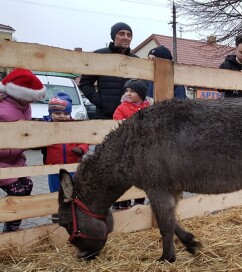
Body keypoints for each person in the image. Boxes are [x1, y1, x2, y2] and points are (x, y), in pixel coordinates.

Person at [0, 68, 46, 232]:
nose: (31, 102)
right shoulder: (2, 109)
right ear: (19, 95)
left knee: (28, 186)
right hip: (1, 161)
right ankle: (10, 230)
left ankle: (12, 226)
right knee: (18, 194)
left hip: (16, 159)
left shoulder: (25, 107)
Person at [43, 93, 89, 222]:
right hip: (53, 168)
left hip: (73, 166)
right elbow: (37, 141)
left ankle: (75, 212)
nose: (62, 116)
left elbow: (85, 140)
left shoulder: (75, 127)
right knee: (56, 191)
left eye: (66, 113)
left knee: (74, 190)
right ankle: (57, 214)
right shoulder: (45, 127)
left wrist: (81, 149)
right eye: (57, 113)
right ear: (51, 114)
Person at [79, 22, 138, 119]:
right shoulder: (100, 56)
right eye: (121, 33)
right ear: (114, 36)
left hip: (130, 116)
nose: (126, 37)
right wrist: (100, 102)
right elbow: (85, 82)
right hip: (105, 115)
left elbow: (143, 85)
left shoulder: (136, 60)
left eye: (129, 35)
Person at [112, 79, 150, 209]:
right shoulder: (122, 108)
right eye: (127, 90)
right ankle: (123, 203)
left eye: (132, 91)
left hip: (143, 149)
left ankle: (139, 204)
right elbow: (117, 124)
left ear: (141, 93)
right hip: (126, 148)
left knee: (142, 176)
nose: (128, 93)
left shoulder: (148, 108)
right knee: (125, 176)